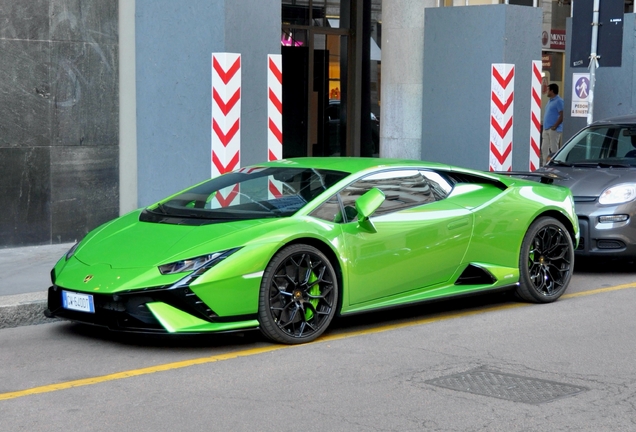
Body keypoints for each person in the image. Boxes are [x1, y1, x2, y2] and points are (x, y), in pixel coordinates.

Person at [542, 83, 564, 165]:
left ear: (552, 91)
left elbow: (562, 115)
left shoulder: (559, 101)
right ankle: (545, 165)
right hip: (546, 128)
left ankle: (555, 165)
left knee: (553, 148)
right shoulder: (549, 101)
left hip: (553, 129)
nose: (547, 91)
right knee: (544, 148)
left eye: (548, 90)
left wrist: (555, 126)